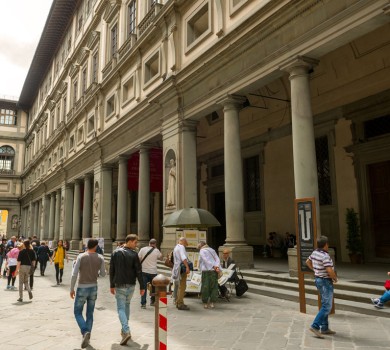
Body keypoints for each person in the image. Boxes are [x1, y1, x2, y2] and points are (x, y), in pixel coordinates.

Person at [70, 239, 106, 349]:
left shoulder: (81, 257)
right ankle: (87, 335)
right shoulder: (100, 257)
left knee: (77, 312)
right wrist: (97, 271)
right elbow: (104, 274)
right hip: (93, 287)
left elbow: (74, 274)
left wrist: (72, 289)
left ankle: (85, 331)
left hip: (82, 287)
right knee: (90, 313)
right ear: (95, 246)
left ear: (87, 246)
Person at [109, 234, 145, 346]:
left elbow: (112, 270)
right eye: (135, 242)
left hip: (120, 285)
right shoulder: (134, 255)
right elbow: (139, 272)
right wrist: (142, 286)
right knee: (126, 306)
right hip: (131, 285)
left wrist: (111, 284)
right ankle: (125, 330)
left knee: (121, 308)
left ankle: (126, 330)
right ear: (129, 241)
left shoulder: (115, 253)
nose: (136, 244)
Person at [306, 235, 338, 338]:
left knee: (324, 304)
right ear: (326, 245)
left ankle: (324, 328)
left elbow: (307, 262)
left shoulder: (315, 252)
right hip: (325, 281)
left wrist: (315, 270)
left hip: (318, 280)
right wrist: (334, 278)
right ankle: (315, 326)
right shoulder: (325, 256)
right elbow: (329, 270)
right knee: (327, 306)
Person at [138, 238, 163, 309]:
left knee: (143, 288)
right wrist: (157, 249)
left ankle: (143, 304)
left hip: (144, 271)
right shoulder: (156, 250)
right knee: (154, 287)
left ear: (149, 243)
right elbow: (161, 258)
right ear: (155, 244)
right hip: (153, 272)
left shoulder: (142, 249)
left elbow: (138, 258)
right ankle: (152, 301)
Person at [198, 241, 221, 309]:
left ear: (201, 246)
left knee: (205, 286)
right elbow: (217, 259)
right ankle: (212, 302)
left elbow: (205, 260)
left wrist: (213, 266)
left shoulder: (202, 251)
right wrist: (216, 266)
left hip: (206, 271)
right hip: (214, 271)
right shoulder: (212, 250)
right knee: (214, 286)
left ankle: (205, 303)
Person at [172, 237, 191, 310]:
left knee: (179, 285)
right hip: (181, 269)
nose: (186, 244)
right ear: (183, 241)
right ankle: (180, 303)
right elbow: (183, 258)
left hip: (177, 268)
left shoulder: (176, 247)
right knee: (182, 286)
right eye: (186, 242)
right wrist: (187, 267)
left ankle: (177, 301)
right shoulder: (182, 247)